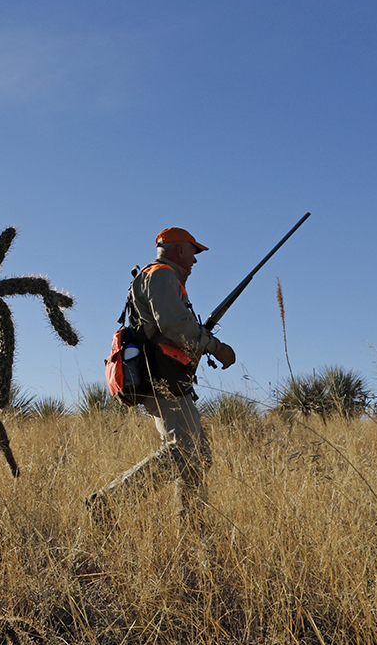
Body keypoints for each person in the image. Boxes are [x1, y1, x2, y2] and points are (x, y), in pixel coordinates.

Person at [88, 227, 235, 531]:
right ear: (180, 250)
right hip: (162, 377)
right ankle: (110, 502)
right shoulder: (163, 274)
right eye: (193, 252)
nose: (195, 261)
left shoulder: (160, 276)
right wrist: (215, 346)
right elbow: (172, 323)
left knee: (198, 454)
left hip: (167, 376)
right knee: (183, 449)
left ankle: (194, 526)